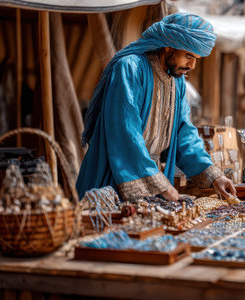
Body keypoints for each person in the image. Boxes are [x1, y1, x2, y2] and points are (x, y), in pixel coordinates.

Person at [76, 13, 236, 202]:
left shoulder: (178, 82)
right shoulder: (129, 68)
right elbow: (126, 133)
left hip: (155, 180)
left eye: (196, 59)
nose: (192, 65)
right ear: (168, 46)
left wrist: (214, 176)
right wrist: (160, 184)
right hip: (116, 175)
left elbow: (184, 134)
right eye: (188, 56)